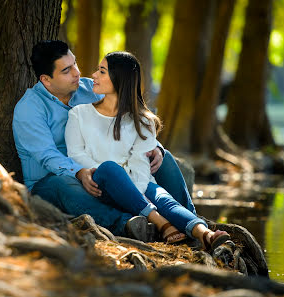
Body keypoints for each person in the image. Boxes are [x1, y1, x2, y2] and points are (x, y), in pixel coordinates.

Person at [12, 40, 194, 240]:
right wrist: (80, 172)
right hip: (52, 182)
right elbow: (48, 156)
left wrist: (154, 147)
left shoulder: (90, 89)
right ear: (46, 80)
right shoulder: (29, 109)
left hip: (103, 172)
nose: (77, 73)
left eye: (75, 64)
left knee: (163, 158)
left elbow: (130, 114)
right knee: (63, 185)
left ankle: (190, 221)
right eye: (66, 70)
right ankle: (130, 225)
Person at [64, 51, 230, 249]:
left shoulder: (143, 120)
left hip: (138, 184)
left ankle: (206, 234)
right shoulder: (79, 114)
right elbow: (75, 154)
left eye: (102, 71)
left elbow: (141, 168)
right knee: (110, 168)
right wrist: (119, 180)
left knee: (163, 198)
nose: (94, 75)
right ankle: (162, 223)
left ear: (120, 79)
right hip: (103, 185)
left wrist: (136, 191)